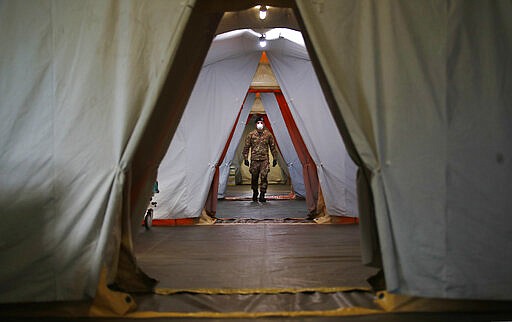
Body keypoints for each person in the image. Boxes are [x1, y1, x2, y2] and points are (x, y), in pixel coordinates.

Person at [242, 116, 278, 202]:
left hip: (264, 160)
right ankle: (255, 192)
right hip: (254, 160)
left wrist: (275, 158)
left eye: (261, 123)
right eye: (258, 123)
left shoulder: (268, 135)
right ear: (255, 124)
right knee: (254, 177)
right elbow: (246, 147)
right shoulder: (251, 135)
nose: (260, 124)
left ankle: (262, 194)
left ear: (264, 124)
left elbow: (273, 147)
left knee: (264, 177)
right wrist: (245, 158)